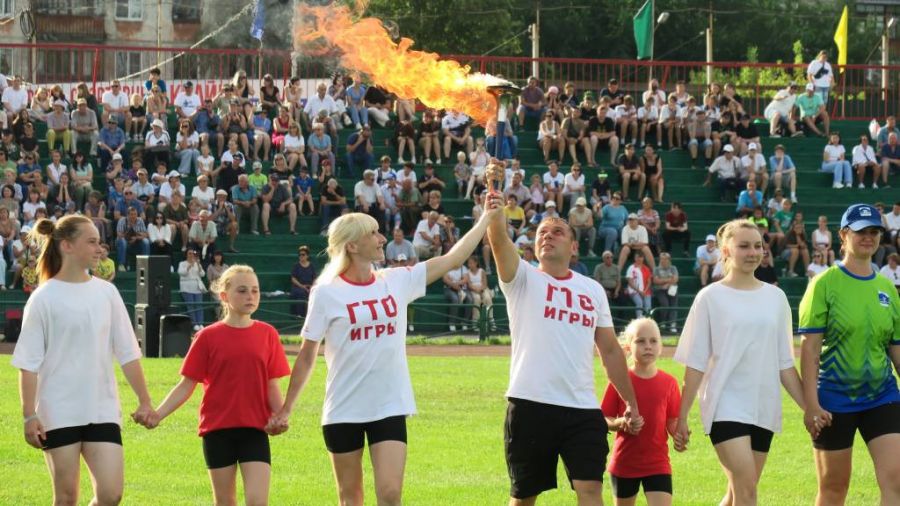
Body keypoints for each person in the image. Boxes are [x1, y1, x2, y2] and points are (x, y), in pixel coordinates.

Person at [266, 194, 503, 506]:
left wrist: (485, 218)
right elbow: (308, 355)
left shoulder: (396, 280)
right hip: (344, 407)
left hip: (389, 404)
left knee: (390, 495)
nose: (381, 239)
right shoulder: (325, 293)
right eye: (373, 233)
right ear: (352, 246)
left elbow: (452, 259)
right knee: (351, 499)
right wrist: (286, 409)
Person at [486, 187, 643, 505]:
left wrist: (631, 401)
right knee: (523, 496)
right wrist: (495, 210)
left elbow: (610, 351)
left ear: (573, 246)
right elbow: (500, 242)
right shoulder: (522, 279)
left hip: (582, 408)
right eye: (542, 232)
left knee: (590, 490)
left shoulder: (593, 290)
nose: (548, 236)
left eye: (557, 232)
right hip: (530, 403)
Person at [12, 216, 154, 506]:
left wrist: (144, 400)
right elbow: (28, 364)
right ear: (67, 245)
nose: (99, 248)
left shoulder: (107, 293)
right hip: (57, 411)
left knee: (111, 494)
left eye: (99, 241)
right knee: (66, 498)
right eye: (91, 241)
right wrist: (29, 414)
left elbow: (128, 352)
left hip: (101, 408)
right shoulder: (43, 298)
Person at [674, 219, 805, 506]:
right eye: (743, 246)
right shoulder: (709, 297)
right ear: (725, 251)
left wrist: (811, 408)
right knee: (747, 492)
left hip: (763, 406)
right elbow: (695, 363)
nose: (752, 252)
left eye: (757, 246)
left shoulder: (777, 298)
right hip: (725, 405)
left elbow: (785, 363)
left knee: (737, 493)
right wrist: (682, 416)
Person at [144, 265, 290, 506]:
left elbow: (272, 384)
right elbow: (186, 385)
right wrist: (158, 414)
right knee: (224, 502)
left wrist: (280, 415)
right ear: (224, 296)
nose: (250, 296)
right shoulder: (208, 337)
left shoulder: (268, 334)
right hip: (217, 430)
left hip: (254, 429)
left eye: (255, 290)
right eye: (242, 291)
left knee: (257, 501)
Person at [798, 203, 900, 505]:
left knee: (896, 479)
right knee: (834, 487)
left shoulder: (887, 288)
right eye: (860, 232)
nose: (868, 237)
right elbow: (810, 350)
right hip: (833, 400)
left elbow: (895, 349)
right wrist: (811, 405)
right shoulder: (823, 284)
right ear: (844, 235)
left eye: (873, 232)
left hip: (883, 396)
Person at [602, 318, 680, 506]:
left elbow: (671, 420)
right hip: (624, 463)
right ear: (628, 347)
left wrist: (679, 434)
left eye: (653, 341)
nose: (648, 346)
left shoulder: (669, 382)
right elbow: (604, 418)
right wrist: (621, 423)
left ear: (661, 346)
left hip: (658, 463)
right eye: (640, 341)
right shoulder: (619, 380)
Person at [177, 249, 207, 331]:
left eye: (192, 253)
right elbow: (181, 272)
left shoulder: (197, 264)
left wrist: (199, 265)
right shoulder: (182, 263)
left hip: (197, 287)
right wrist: (189, 266)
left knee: (199, 305)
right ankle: (194, 324)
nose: (191, 255)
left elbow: (202, 274)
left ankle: (200, 323)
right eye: (189, 253)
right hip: (186, 287)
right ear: (186, 255)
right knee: (190, 306)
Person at [653, 252, 680, 333]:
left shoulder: (673, 268)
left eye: (665, 259)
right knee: (665, 304)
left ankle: (672, 324)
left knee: (673, 306)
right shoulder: (656, 269)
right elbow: (656, 281)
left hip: (671, 289)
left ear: (669, 260)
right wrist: (669, 280)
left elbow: (675, 279)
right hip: (660, 290)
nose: (663, 261)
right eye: (661, 259)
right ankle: (663, 323)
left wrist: (667, 284)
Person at [290, 245, 317, 318]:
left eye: (303, 254)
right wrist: (302, 286)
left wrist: (312, 286)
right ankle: (300, 315)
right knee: (301, 293)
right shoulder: (296, 266)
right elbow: (293, 278)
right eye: (300, 255)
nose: (301, 256)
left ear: (307, 255)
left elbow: (314, 278)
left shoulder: (311, 266)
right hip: (299, 286)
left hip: (309, 286)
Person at [625, 252, 653, 317]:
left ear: (643, 258)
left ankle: (647, 321)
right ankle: (639, 319)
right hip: (634, 291)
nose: (639, 259)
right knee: (639, 303)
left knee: (648, 306)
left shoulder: (646, 268)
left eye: (641, 257)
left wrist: (645, 291)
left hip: (646, 291)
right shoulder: (631, 268)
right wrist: (639, 291)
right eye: (637, 257)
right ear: (635, 258)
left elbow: (649, 282)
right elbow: (630, 282)